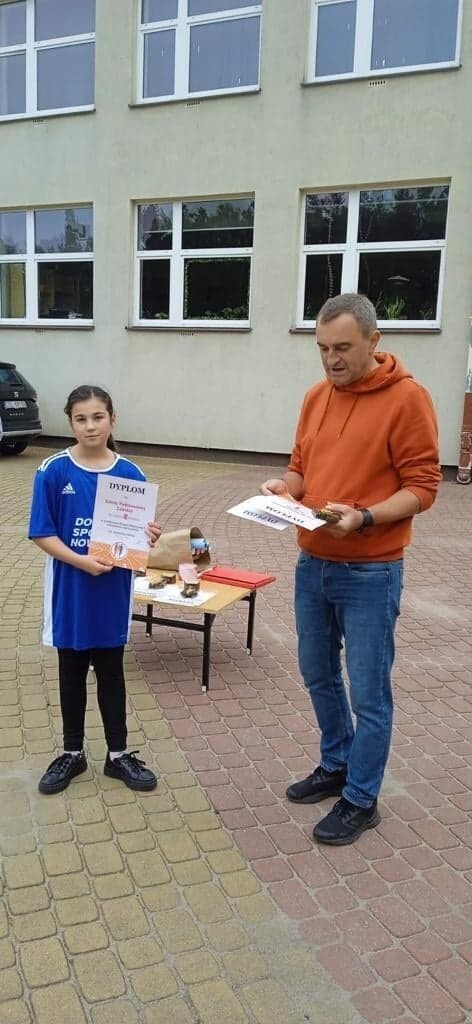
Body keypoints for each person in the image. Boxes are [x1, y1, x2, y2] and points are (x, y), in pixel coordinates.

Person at [262, 293, 441, 845]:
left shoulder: (408, 399)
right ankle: (336, 763)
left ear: (373, 341)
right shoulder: (316, 396)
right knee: (317, 673)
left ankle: (362, 798)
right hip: (312, 562)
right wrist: (284, 488)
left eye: (342, 347)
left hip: (371, 572)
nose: (330, 359)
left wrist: (364, 518)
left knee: (368, 693)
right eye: (322, 348)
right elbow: (300, 468)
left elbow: (423, 487)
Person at [29, 385, 161, 795]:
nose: (90, 426)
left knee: (111, 671)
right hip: (71, 588)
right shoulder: (53, 470)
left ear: (112, 420)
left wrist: (147, 536)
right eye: (81, 418)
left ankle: (117, 755)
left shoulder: (131, 474)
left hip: (112, 591)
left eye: (98, 417)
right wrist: (82, 560)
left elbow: (137, 537)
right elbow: (42, 533)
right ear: (70, 423)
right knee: (70, 671)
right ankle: (72, 753)